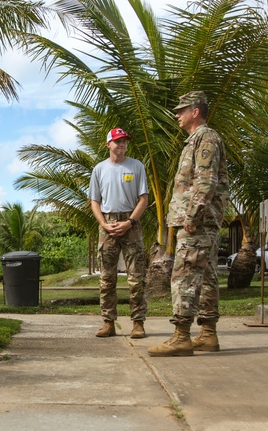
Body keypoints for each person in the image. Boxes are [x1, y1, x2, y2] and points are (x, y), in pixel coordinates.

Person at [149, 91, 229, 357]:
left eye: (182, 110)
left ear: (196, 111)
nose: (177, 115)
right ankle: (208, 334)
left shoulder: (205, 138)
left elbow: (205, 181)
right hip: (203, 221)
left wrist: (192, 217)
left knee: (183, 275)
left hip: (198, 222)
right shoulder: (197, 140)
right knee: (206, 277)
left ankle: (181, 336)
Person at [88, 127, 149, 339]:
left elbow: (143, 199)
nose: (121, 144)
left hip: (131, 224)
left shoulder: (136, 166)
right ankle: (108, 322)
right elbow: (94, 201)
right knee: (107, 278)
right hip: (108, 224)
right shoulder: (99, 169)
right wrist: (104, 224)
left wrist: (131, 221)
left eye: (124, 141)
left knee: (136, 277)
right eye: (117, 141)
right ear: (108, 145)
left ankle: (138, 323)